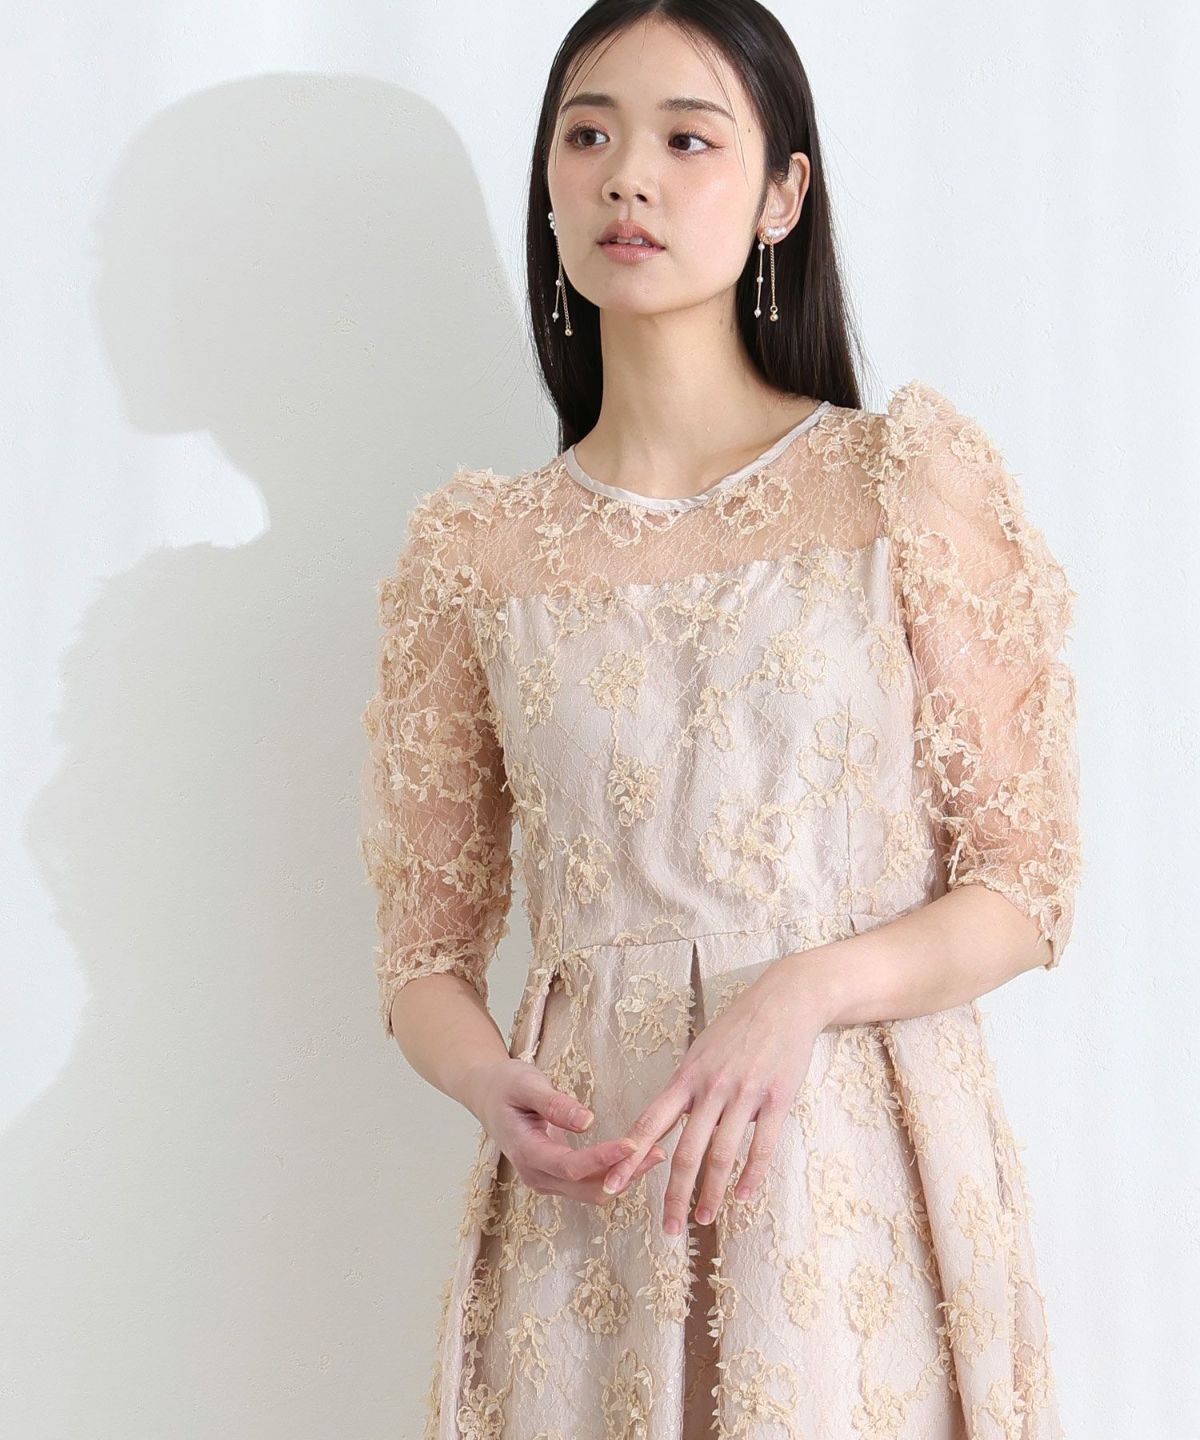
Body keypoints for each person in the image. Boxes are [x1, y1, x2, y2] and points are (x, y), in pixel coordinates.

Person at [359, 2, 1083, 1435]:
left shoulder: (901, 482)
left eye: (687, 140)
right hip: (593, 1203)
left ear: (781, 194)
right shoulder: (474, 553)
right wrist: (489, 1086)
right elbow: (423, 957)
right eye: (588, 135)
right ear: (549, 182)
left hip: (849, 1176)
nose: (628, 175)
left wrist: (801, 990)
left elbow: (1027, 883)